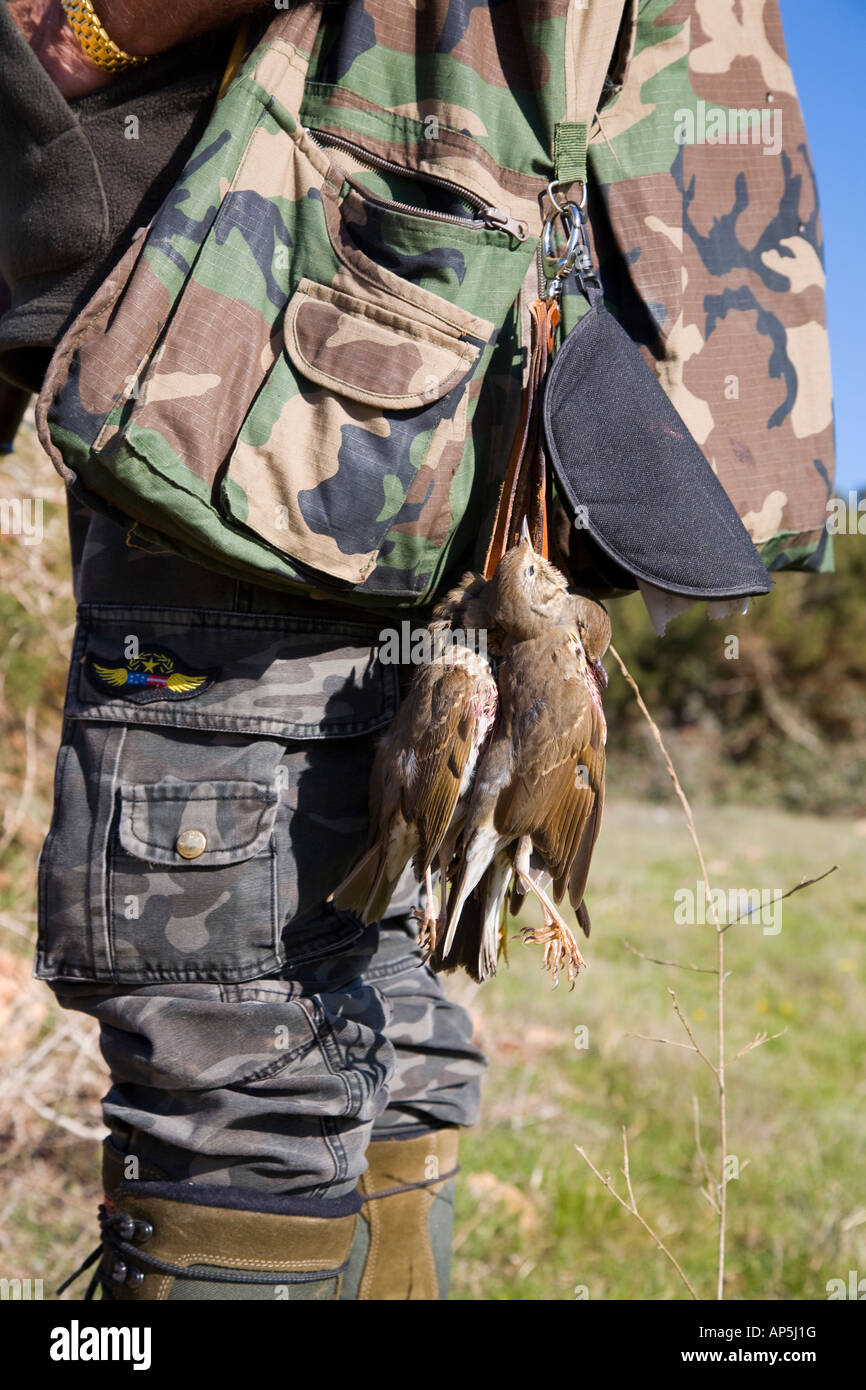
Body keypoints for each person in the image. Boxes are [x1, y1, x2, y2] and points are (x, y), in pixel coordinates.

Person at [0, 0, 833, 1301]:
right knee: (372, 1004)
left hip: (282, 400)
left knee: (241, 1079)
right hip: (487, 399)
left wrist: (82, 34)